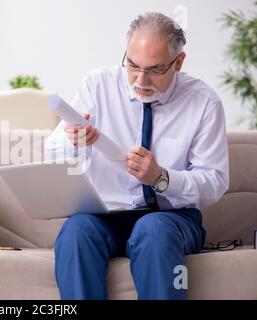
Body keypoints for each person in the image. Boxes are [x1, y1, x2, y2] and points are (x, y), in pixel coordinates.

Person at [44, 12, 229, 300]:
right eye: (132, 65)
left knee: (153, 230)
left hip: (171, 219)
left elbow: (215, 181)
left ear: (178, 62)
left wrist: (162, 178)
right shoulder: (97, 85)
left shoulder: (204, 102)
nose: (140, 80)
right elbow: (50, 153)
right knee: (75, 231)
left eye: (154, 69)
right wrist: (74, 141)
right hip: (103, 217)